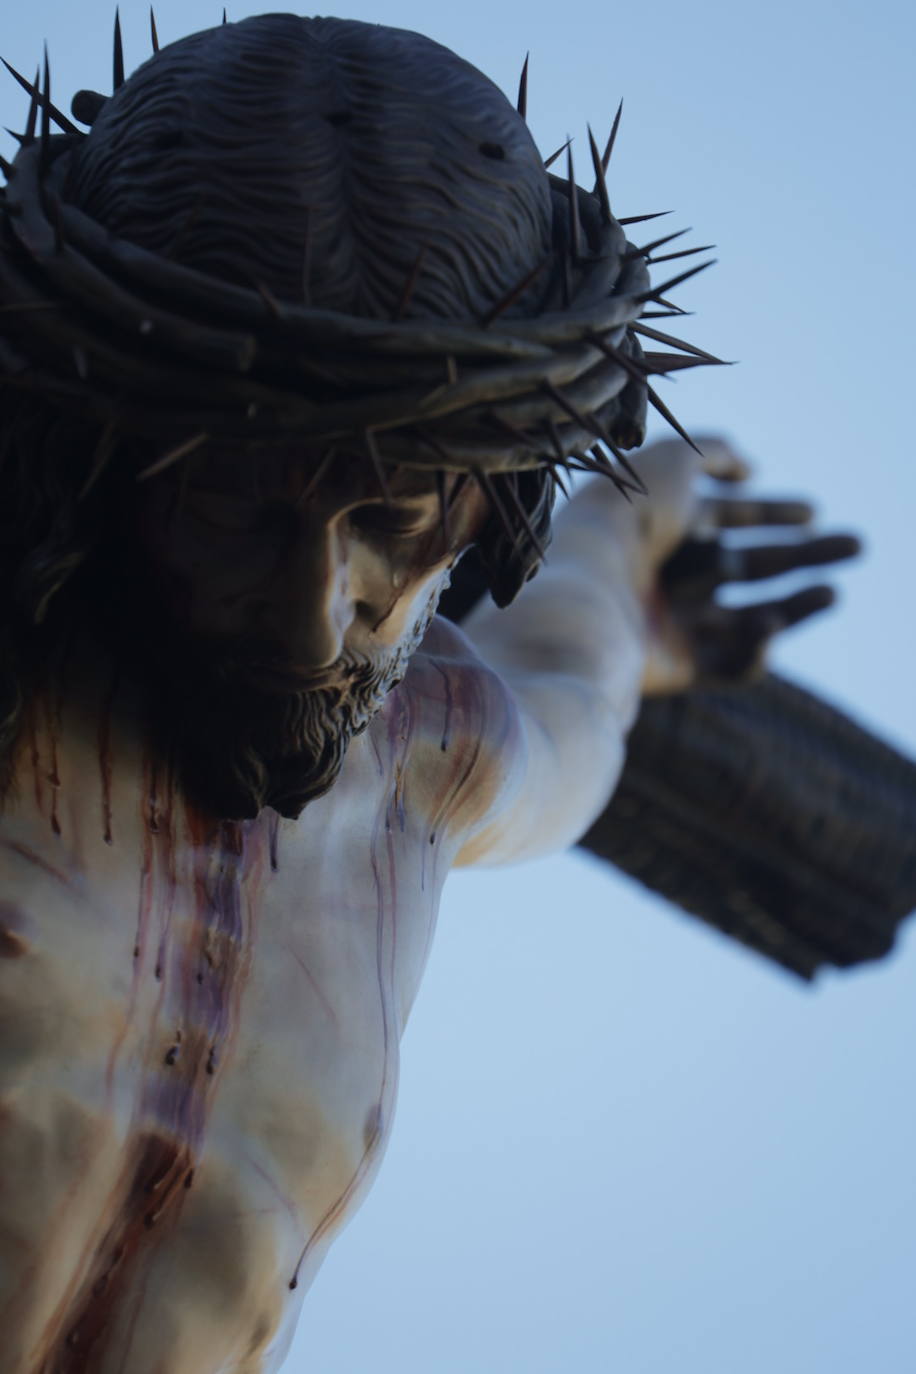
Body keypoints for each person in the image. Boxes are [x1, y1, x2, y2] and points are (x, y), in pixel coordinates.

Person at [0, 15, 857, 1371]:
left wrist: (619, 559)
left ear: (487, 518)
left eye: (392, 526)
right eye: (235, 514)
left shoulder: (427, 749)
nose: (309, 619)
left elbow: (574, 680)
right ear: (105, 453)